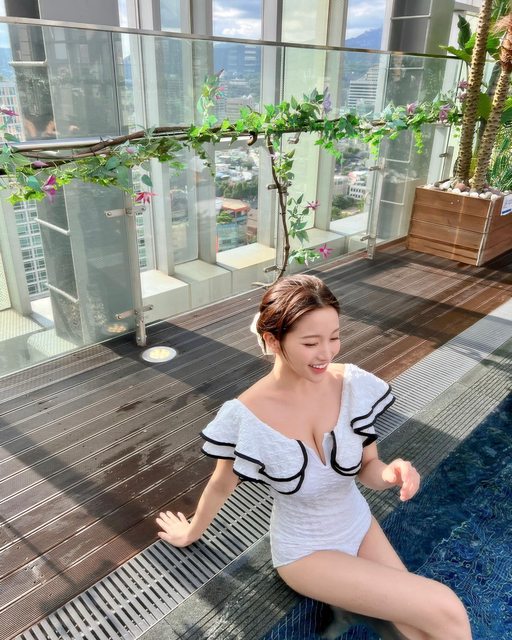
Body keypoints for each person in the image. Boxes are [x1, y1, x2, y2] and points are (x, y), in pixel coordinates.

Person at [156, 274, 472, 640]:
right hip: (305, 552)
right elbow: (221, 484)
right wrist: (191, 532)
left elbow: (368, 467)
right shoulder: (247, 416)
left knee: (421, 627)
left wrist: (391, 474)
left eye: (334, 337)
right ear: (273, 341)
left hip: (358, 525)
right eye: (310, 342)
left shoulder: (352, 385)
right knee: (446, 607)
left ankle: (348, 609)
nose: (327, 353)